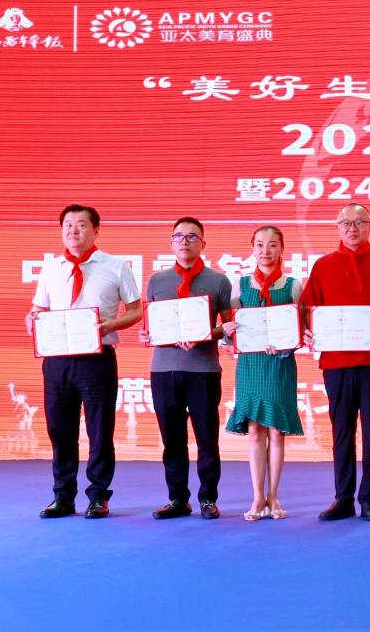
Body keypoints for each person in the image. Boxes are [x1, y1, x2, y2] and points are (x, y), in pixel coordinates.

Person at [28, 204, 142, 519]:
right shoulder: (50, 268)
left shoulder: (115, 266)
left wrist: (111, 325)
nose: (73, 231)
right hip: (57, 361)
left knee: (99, 430)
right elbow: (39, 309)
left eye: (80, 225)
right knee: (59, 429)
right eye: (67, 225)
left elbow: (136, 310)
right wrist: (32, 318)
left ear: (96, 230)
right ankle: (63, 496)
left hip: (97, 359)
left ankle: (98, 496)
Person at [300, 204, 370, 522]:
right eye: (346, 223)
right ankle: (343, 498)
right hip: (336, 362)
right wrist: (308, 329)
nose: (352, 228)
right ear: (337, 227)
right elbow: (308, 307)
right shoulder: (323, 265)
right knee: (342, 431)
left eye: (360, 222)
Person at [141, 217, 233, 520]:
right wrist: (147, 335)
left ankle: (208, 499)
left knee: (207, 439)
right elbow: (151, 326)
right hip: (163, 370)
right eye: (178, 236)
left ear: (203, 244)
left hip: (203, 370)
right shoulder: (156, 281)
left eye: (192, 236)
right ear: (171, 243)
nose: (185, 241)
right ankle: (178, 499)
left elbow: (229, 327)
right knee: (172, 440)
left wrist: (205, 334)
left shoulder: (219, 281)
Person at [221, 226, 305, 521]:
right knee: (255, 430)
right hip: (251, 363)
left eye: (272, 245)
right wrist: (227, 331)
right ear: (252, 249)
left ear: (281, 248)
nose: (265, 251)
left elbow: (300, 327)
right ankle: (257, 497)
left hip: (280, 364)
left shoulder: (293, 285)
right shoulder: (240, 284)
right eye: (259, 244)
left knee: (277, 431)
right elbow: (232, 328)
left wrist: (286, 342)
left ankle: (274, 496)